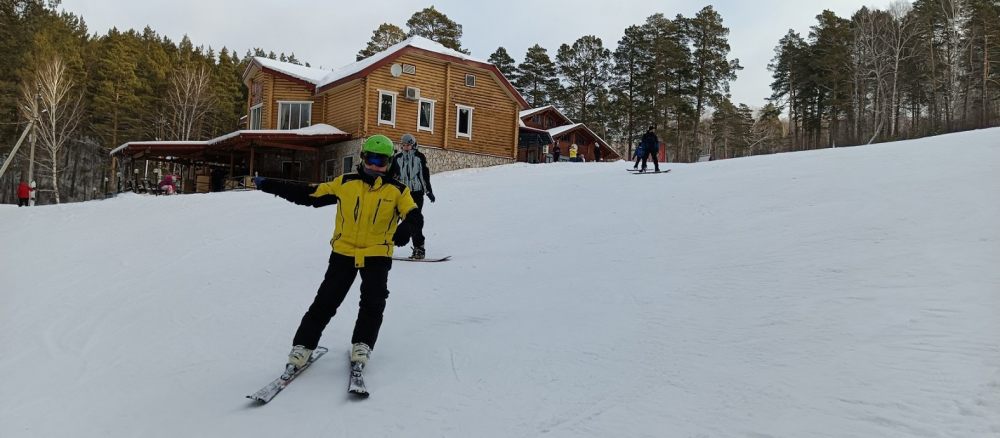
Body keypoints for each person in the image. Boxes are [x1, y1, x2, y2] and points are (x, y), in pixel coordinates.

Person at [252, 134, 421, 377]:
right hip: (343, 253)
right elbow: (308, 195)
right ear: (363, 159)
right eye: (371, 159)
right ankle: (303, 346)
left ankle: (362, 344)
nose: (375, 166)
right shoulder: (346, 183)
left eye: (381, 161)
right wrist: (269, 184)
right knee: (326, 302)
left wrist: (407, 227)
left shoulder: (397, 191)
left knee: (372, 304)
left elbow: (414, 214)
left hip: (377, 256)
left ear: (389, 163)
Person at [387, 133, 435, 260]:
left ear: (413, 145)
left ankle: (419, 248)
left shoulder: (419, 157)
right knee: (391, 219)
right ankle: (386, 245)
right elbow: (391, 176)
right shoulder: (397, 158)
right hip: (402, 194)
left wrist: (428, 191)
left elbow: (424, 175)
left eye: (408, 144)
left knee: (414, 221)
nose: (405, 147)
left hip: (416, 193)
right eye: (403, 145)